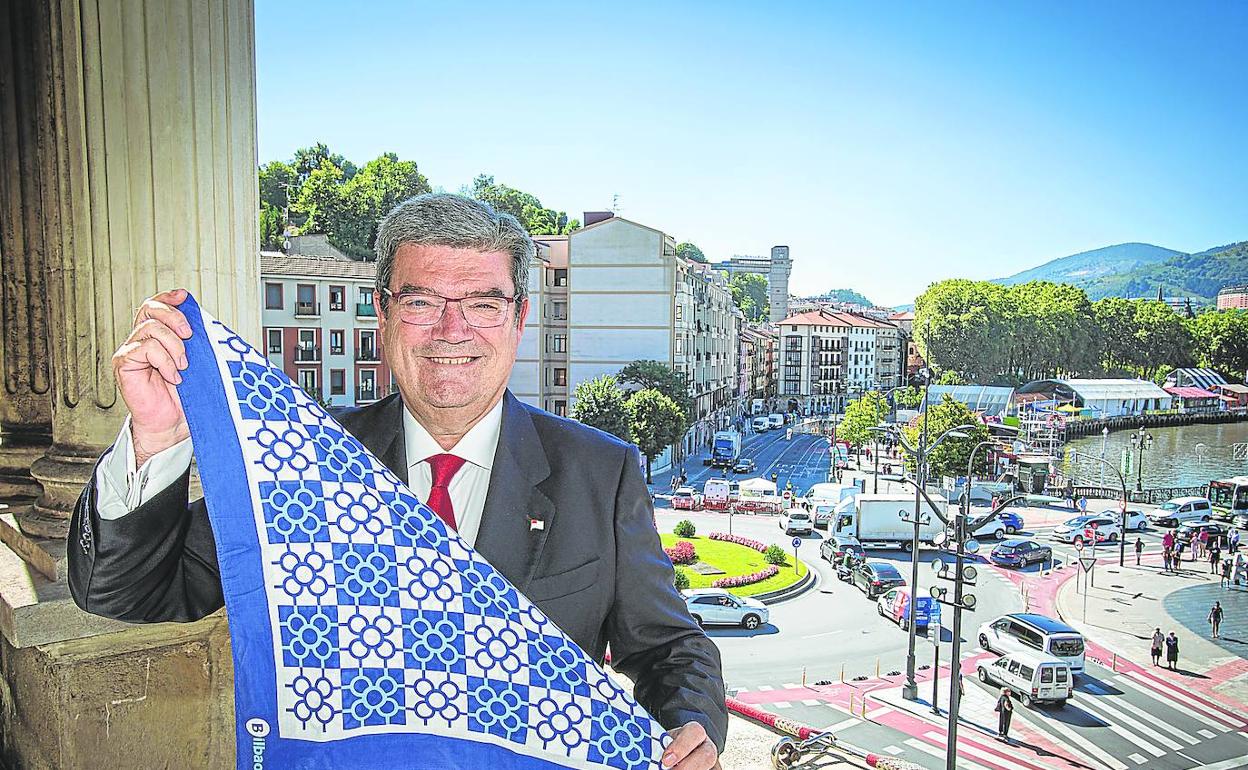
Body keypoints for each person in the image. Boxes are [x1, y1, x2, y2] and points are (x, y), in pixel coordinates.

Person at [66, 194, 727, 765]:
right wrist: (156, 437)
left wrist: (691, 726)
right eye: (421, 302)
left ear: (520, 319)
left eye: (482, 304)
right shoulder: (308, 460)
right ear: (382, 315)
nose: (451, 330)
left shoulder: (601, 470)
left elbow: (669, 647)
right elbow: (123, 595)